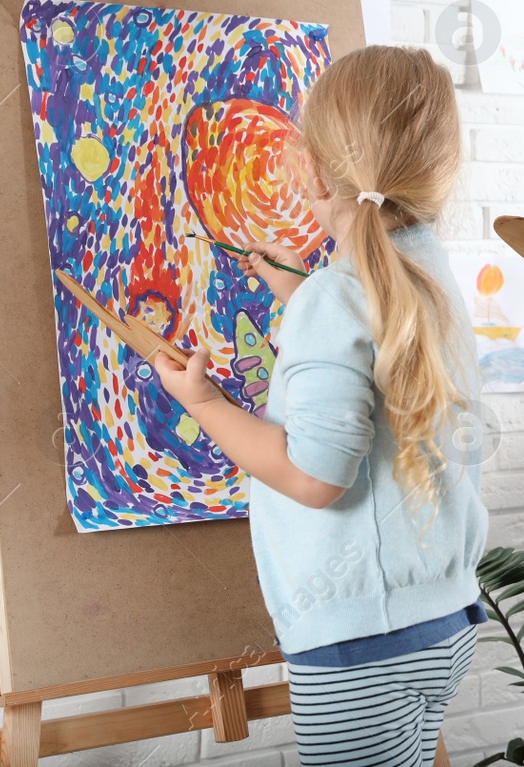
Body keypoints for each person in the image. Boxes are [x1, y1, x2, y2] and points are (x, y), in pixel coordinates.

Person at [154, 45, 489, 767]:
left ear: (310, 169)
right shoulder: (428, 270)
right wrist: (300, 297)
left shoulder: (333, 299)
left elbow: (316, 475)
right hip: (442, 620)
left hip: (359, 646)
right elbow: (378, 356)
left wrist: (204, 399)